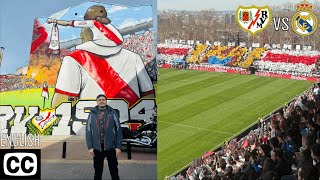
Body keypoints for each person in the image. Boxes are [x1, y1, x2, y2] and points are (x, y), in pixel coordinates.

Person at [48, 5, 155, 108]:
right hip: (131, 123)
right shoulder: (134, 57)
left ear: (83, 35)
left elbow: (60, 105)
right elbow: (149, 95)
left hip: (90, 123)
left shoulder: (73, 59)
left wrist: (55, 21)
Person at [86, 94, 122, 180]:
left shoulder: (112, 112)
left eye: (103, 99)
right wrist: (90, 147)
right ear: (97, 102)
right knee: (97, 173)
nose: (102, 101)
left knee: (114, 172)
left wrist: (118, 147)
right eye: (99, 100)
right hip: (97, 148)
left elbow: (118, 130)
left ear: (106, 101)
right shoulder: (92, 113)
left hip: (111, 148)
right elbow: (88, 130)